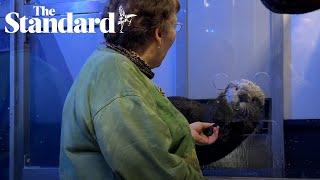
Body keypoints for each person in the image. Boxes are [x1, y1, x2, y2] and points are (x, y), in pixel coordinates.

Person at [59, 0, 219, 179]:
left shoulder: (111, 63)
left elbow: (137, 139)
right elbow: (154, 172)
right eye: (175, 26)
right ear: (159, 34)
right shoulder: (119, 81)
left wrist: (182, 134)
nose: (175, 34)